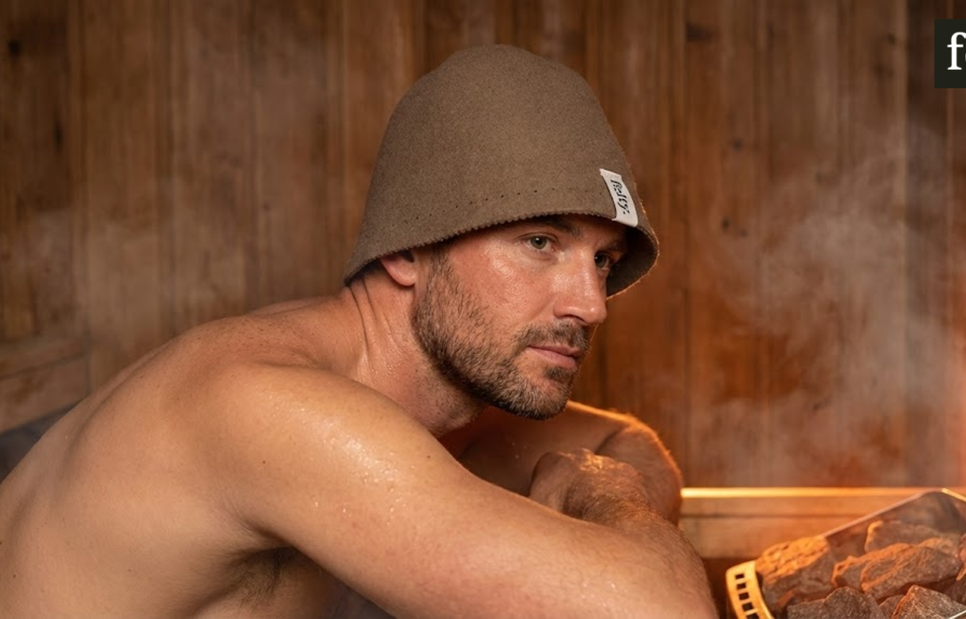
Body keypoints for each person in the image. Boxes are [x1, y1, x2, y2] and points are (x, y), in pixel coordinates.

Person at [0, 45, 717, 618]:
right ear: (407, 251)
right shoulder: (276, 407)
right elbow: (662, 609)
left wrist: (596, 484)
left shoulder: (416, 401)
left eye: (602, 260)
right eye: (540, 243)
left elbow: (623, 443)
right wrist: (603, 498)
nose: (591, 303)